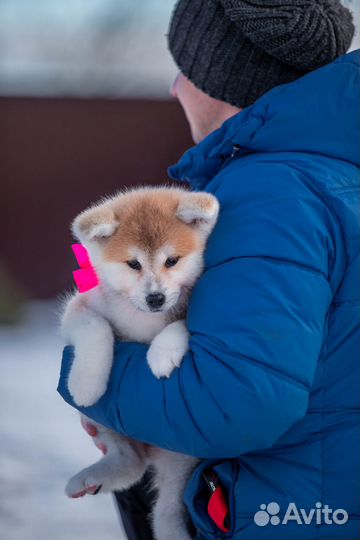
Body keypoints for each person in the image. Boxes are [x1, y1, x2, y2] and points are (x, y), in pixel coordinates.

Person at [58, 1, 360, 539]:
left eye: (185, 71)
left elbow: (233, 407)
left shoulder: (270, 194)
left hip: (289, 515)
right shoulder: (336, 177)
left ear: (220, 82)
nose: (176, 88)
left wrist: (94, 378)